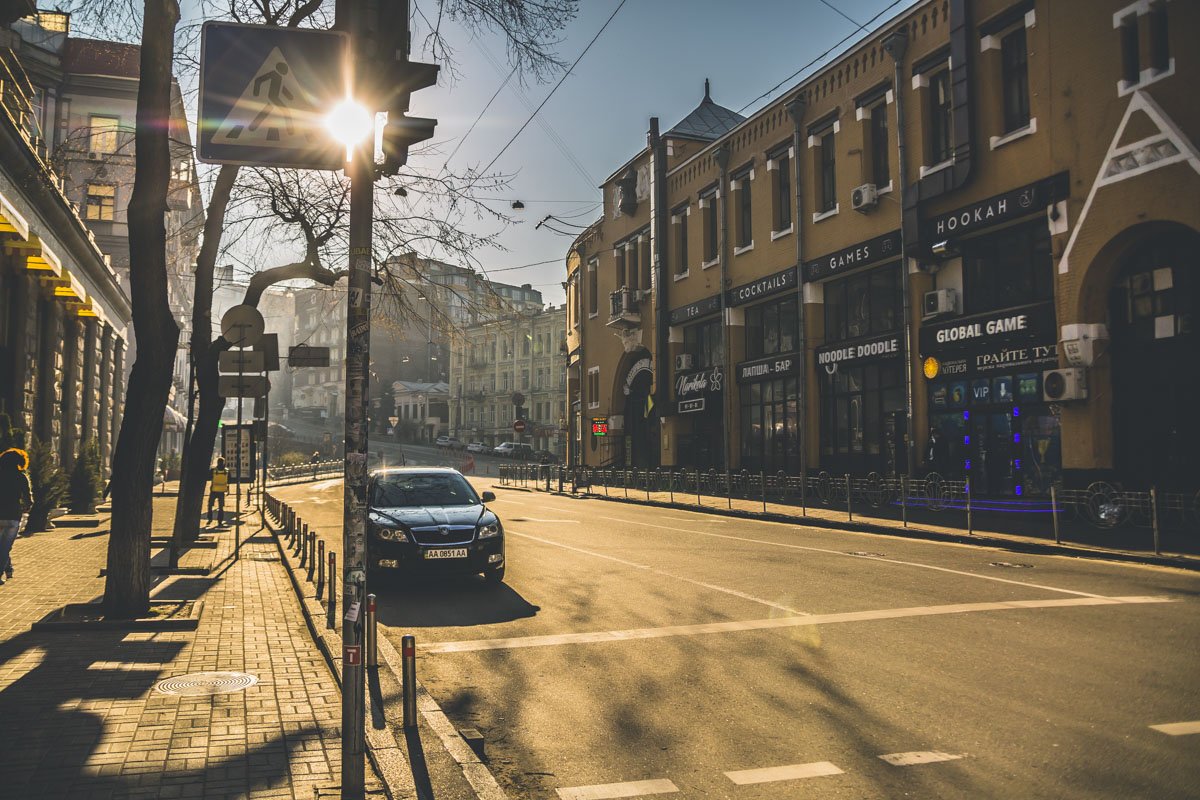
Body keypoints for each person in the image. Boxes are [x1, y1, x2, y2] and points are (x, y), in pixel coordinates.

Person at [0, 448, 33, 583]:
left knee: (2, 547)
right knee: (5, 547)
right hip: (13, 516)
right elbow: (28, 499)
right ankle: (3, 571)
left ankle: (8, 569)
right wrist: (27, 507)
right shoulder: (21, 476)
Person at [208, 457, 230, 526]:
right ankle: (220, 521)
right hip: (222, 491)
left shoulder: (213, 470)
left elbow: (208, 477)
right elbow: (229, 480)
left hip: (214, 490)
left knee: (210, 505)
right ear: (224, 463)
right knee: (221, 507)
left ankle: (210, 518)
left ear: (217, 462)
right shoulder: (226, 471)